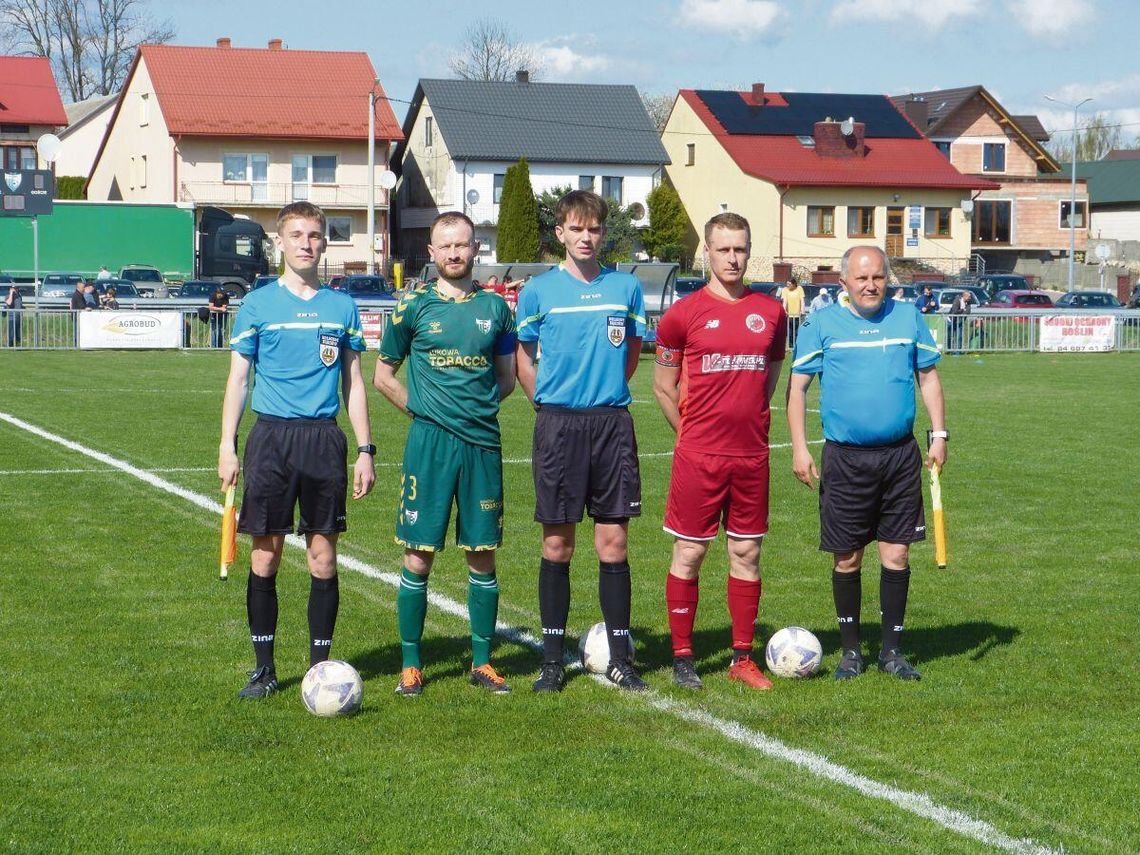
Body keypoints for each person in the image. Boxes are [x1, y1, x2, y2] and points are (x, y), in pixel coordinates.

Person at [218, 201, 376, 700]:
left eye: (315, 235)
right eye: (298, 235)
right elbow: (238, 379)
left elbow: (353, 381)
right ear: (280, 243)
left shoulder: (340, 306)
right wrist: (228, 445)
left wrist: (365, 448)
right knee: (265, 557)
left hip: (323, 440)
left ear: (324, 243)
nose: (307, 243)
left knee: (323, 559)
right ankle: (263, 669)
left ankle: (319, 668)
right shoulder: (258, 306)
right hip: (271, 439)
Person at [373, 211, 517, 697]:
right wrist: (423, 412)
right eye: (445, 246)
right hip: (429, 446)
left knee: (482, 555)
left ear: (476, 248)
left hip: (482, 446)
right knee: (419, 556)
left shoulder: (497, 310)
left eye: (463, 244)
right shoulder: (411, 307)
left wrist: (471, 412)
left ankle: (482, 662)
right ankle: (411, 665)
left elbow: (506, 379)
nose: (454, 253)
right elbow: (383, 375)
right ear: (431, 253)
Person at [786, 245, 946, 682]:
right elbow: (797, 389)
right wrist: (800, 448)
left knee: (896, 554)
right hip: (846, 461)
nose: (871, 285)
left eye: (878, 277)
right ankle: (851, 652)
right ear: (844, 284)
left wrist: (940, 434)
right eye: (861, 278)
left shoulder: (908, 318)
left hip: (899, 456)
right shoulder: (821, 325)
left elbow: (928, 376)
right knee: (848, 558)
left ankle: (892, 653)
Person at [515, 189, 648, 693]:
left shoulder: (625, 289)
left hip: (611, 424)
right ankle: (552, 660)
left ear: (603, 232)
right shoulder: (538, 292)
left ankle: (620, 657)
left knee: (613, 543)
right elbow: (525, 358)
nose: (586, 237)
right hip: (558, 426)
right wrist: (547, 403)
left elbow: (632, 352)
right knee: (558, 543)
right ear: (560, 233)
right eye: (576, 228)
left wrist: (603, 392)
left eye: (593, 229)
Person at [653, 213, 787, 691]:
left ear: (751, 251)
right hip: (699, 457)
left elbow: (768, 378)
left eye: (741, 249)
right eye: (724, 249)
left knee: (747, 551)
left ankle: (742, 657)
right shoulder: (681, 314)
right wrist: (691, 435)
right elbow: (664, 388)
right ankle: (684, 657)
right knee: (689, 552)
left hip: (751, 455)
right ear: (706, 252)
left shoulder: (771, 312)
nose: (733, 258)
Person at [781, 276, 805, 350]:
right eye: (787, 284)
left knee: (798, 331)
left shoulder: (799, 289)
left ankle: (797, 345)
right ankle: (791, 347)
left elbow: (802, 301)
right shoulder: (785, 290)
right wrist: (784, 310)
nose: (788, 285)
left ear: (794, 284)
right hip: (789, 315)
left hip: (798, 314)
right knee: (790, 332)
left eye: (789, 284)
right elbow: (785, 302)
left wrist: (802, 310)